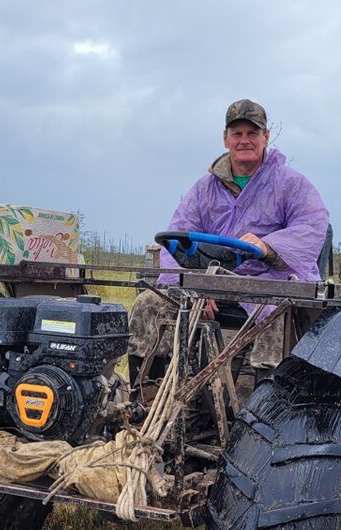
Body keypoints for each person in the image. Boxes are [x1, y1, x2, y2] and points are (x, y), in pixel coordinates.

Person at [129, 99, 330, 394]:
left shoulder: (290, 184)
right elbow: (177, 239)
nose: (244, 140)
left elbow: (313, 225)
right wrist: (194, 287)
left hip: (266, 286)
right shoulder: (204, 189)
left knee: (273, 311)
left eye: (253, 132)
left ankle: (261, 407)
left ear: (266, 136)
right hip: (211, 287)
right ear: (226, 138)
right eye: (237, 133)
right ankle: (147, 398)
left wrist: (268, 246)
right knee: (148, 304)